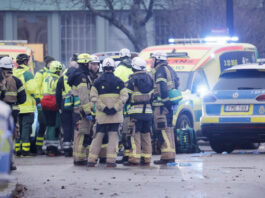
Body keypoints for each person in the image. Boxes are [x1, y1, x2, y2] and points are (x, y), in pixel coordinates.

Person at [88, 57, 128, 168]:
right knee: (113, 138)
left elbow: (93, 97)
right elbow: (124, 97)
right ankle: (111, 161)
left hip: (102, 117)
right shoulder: (120, 82)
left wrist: (104, 108)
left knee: (97, 138)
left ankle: (91, 160)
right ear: (113, 68)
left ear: (103, 68)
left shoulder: (97, 82)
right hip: (115, 117)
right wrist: (115, 108)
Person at [123, 57, 154, 166]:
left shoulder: (132, 81)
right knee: (146, 135)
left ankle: (135, 159)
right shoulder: (150, 79)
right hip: (148, 112)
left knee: (135, 135)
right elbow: (154, 95)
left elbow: (126, 96)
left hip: (135, 112)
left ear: (134, 67)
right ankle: (147, 159)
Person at [151, 51, 179, 164]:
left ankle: (166, 156)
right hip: (169, 106)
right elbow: (177, 83)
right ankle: (170, 155)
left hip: (161, 107)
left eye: (154, 59)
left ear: (158, 59)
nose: (153, 62)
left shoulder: (160, 71)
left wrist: (165, 101)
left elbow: (162, 87)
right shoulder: (170, 69)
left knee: (162, 130)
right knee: (169, 129)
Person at [0, 57, 26, 169]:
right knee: (11, 136)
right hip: (13, 111)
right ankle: (10, 162)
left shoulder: (1, 80)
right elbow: (23, 98)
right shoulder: (17, 80)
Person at [67, 53, 93, 166]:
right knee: (81, 134)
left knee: (79, 134)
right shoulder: (82, 77)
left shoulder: (77, 74)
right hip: (81, 111)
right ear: (86, 63)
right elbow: (83, 96)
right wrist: (88, 112)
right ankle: (79, 159)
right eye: (90, 63)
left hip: (77, 110)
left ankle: (80, 157)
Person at [13, 54, 36, 157]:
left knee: (17, 129)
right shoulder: (27, 74)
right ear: (26, 62)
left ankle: (17, 150)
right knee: (26, 129)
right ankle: (25, 151)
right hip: (27, 107)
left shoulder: (12, 73)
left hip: (15, 106)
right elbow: (32, 89)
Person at [55, 55, 78, 157]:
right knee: (76, 127)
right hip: (76, 105)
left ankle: (67, 149)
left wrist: (59, 106)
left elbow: (58, 93)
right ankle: (76, 148)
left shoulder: (63, 76)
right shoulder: (79, 75)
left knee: (66, 127)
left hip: (65, 105)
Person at [114, 48, 133, 164]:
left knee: (123, 130)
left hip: (122, 104)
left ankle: (124, 154)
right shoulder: (134, 68)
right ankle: (130, 154)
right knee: (132, 130)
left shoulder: (118, 70)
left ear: (120, 58)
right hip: (134, 104)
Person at [41, 60, 63, 156]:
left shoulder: (46, 78)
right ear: (57, 70)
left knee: (49, 126)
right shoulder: (57, 79)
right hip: (53, 105)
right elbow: (58, 93)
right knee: (55, 126)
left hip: (45, 104)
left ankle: (49, 148)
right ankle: (53, 149)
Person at [35, 56, 55, 155]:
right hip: (43, 103)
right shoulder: (40, 73)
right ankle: (38, 147)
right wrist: (38, 101)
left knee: (50, 125)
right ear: (47, 63)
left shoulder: (52, 72)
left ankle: (49, 147)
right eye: (51, 63)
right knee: (42, 125)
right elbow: (36, 88)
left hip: (51, 104)